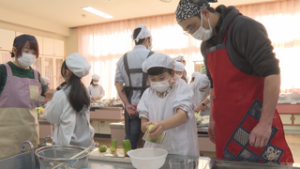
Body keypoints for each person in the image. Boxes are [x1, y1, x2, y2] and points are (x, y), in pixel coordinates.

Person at [176, 0, 293, 162]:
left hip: (255, 124)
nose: (192, 32)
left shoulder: (243, 28)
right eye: (187, 31)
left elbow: (272, 73)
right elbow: (214, 84)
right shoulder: (206, 46)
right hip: (226, 128)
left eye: (191, 26)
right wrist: (213, 119)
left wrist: (265, 123)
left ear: (205, 13)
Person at [137, 53, 199, 156]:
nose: (157, 82)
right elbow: (143, 124)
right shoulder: (148, 93)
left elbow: (182, 116)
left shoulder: (182, 88)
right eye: (153, 79)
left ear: (173, 73)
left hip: (180, 147)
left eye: (162, 78)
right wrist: (147, 127)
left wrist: (161, 125)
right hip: (155, 149)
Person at [0, 34, 49, 159]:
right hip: (6, 138)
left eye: (33, 52)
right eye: (26, 51)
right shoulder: (3, 71)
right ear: (15, 50)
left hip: (30, 134)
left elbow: (48, 93)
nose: (30, 55)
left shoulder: (35, 75)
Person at [115, 24, 154, 149]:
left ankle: (129, 164)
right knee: (151, 138)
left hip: (131, 106)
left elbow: (118, 82)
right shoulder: (154, 57)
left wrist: (127, 104)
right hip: (151, 105)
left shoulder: (123, 59)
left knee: (131, 140)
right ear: (147, 39)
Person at [45, 53, 94, 148]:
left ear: (67, 72)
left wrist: (50, 100)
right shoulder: (85, 91)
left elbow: (51, 117)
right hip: (85, 143)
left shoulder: (61, 94)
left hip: (67, 146)